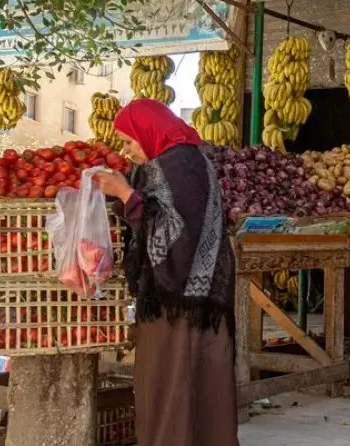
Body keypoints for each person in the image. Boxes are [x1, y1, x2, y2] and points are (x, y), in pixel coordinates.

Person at [92, 99, 239, 446]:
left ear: (150, 132)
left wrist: (125, 193)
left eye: (129, 141)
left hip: (176, 303)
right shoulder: (186, 160)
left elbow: (173, 235)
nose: (126, 150)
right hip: (203, 300)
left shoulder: (173, 166)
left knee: (169, 387)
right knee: (203, 388)